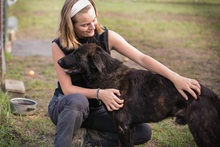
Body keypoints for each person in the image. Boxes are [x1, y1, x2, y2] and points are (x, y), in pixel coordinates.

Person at [48, 0, 201, 147]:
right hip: (67, 107)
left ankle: (92, 138)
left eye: (93, 20)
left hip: (97, 109)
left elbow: (142, 58)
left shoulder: (106, 36)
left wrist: (176, 78)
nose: (92, 26)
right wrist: (99, 94)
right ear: (71, 25)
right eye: (84, 25)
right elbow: (68, 89)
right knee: (78, 101)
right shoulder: (60, 45)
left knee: (142, 133)